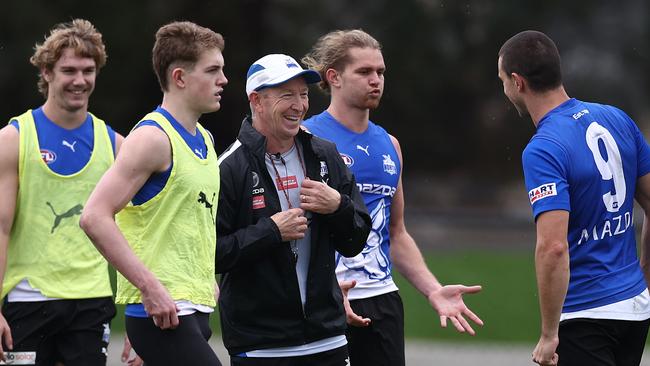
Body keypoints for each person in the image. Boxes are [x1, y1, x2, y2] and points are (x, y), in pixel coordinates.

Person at [302, 29, 484, 366]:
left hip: (382, 300)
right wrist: (321, 289)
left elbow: (397, 233)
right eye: (364, 72)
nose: (376, 80)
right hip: (326, 300)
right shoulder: (306, 138)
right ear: (334, 77)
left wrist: (433, 290)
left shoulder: (390, 145)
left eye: (380, 72)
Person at [497, 30, 650, 366]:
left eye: (502, 81)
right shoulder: (617, 118)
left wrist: (549, 335)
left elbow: (553, 247)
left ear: (516, 81)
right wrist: (643, 274)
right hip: (635, 309)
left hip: (587, 316)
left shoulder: (544, 149)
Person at [80, 21, 227, 365]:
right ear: (179, 77)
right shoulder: (151, 138)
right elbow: (94, 216)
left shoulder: (204, 138)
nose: (224, 80)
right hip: (162, 314)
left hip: (195, 308)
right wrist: (148, 289)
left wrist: (206, 279)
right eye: (213, 70)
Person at [216, 53, 371, 365]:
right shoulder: (229, 167)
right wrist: (271, 232)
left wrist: (337, 206)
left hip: (328, 338)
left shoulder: (325, 155)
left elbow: (355, 241)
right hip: (261, 345)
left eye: (303, 94)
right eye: (287, 95)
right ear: (257, 101)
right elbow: (211, 254)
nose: (299, 105)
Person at [0, 19, 121, 365]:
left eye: (88, 70)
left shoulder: (116, 145)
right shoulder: (14, 139)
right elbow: (1, 228)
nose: (80, 81)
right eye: (69, 70)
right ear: (47, 71)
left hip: (91, 302)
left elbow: (137, 232)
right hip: (27, 300)